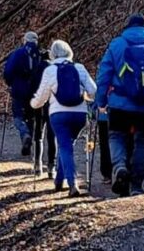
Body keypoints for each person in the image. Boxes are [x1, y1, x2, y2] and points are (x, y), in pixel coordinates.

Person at [95, 14, 144, 197]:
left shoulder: (116, 45)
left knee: (116, 136)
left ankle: (120, 166)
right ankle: (136, 185)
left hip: (119, 103)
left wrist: (101, 102)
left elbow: (104, 75)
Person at [32, 40, 97, 197]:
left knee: (65, 146)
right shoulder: (79, 68)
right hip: (79, 115)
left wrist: (34, 104)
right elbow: (93, 89)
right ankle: (59, 180)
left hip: (59, 115)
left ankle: (72, 183)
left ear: (53, 54)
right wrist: (85, 97)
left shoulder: (50, 70)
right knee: (66, 145)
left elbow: (40, 98)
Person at [4, 32, 43, 156]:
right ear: (36, 41)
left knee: (18, 116)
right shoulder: (41, 54)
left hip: (19, 89)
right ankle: (28, 140)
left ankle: (25, 134)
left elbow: (8, 71)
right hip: (35, 90)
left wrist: (10, 83)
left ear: (25, 40)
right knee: (30, 116)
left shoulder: (18, 53)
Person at [30, 48, 56, 178]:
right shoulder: (55, 68)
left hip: (40, 103)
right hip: (52, 104)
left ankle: (37, 164)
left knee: (38, 134)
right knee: (52, 136)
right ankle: (51, 166)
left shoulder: (37, 68)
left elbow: (33, 85)